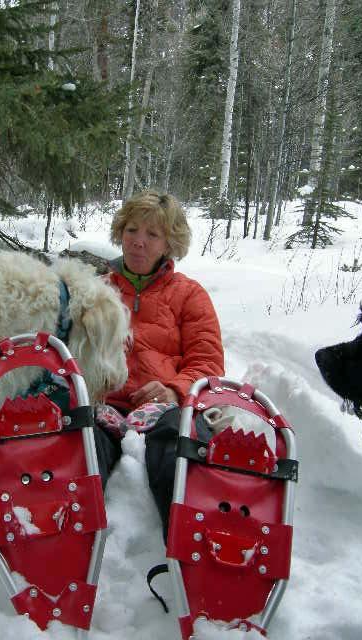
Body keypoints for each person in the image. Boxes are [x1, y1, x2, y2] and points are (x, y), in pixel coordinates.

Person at [94, 190, 224, 540]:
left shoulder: (189, 294)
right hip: (105, 407)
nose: (138, 242)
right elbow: (73, 355)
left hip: (164, 410)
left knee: (179, 451)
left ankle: (193, 549)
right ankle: (62, 545)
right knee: (79, 448)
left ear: (169, 244)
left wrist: (173, 389)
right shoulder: (97, 290)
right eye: (132, 230)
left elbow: (207, 362)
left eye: (152, 235)